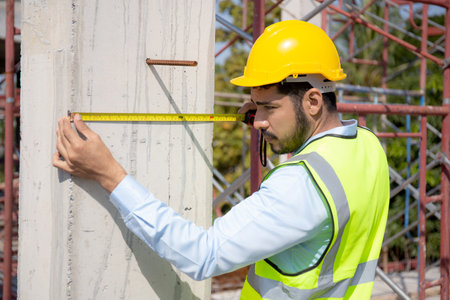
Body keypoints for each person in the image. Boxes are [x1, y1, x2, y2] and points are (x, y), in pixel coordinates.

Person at [53, 20, 389, 299]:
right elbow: (312, 205)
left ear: (313, 101)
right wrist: (271, 120)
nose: (257, 119)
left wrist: (109, 173)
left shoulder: (300, 185)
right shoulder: (367, 146)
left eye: (269, 107)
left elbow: (202, 254)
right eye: (255, 106)